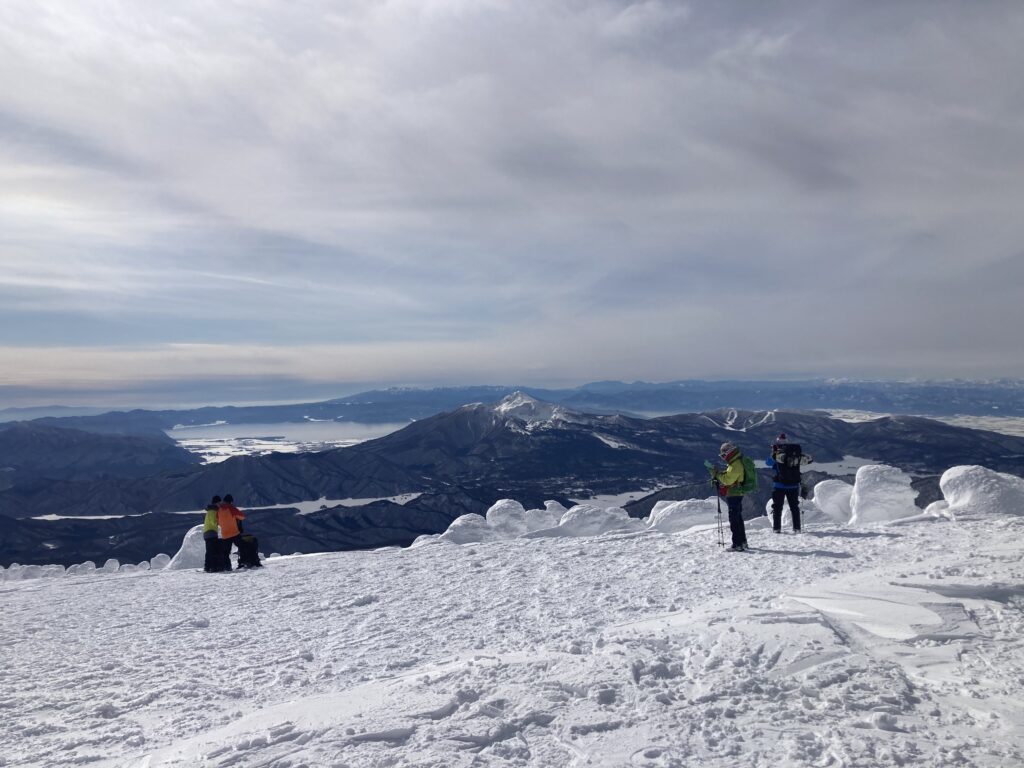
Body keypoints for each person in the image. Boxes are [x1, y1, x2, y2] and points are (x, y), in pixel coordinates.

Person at [765, 432, 814, 533]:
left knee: (777, 507)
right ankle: (797, 528)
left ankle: (777, 529)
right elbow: (809, 460)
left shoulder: (778, 454)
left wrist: (774, 452)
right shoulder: (794, 454)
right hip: (793, 485)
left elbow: (768, 462)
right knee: (794, 507)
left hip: (779, 485)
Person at [710, 442, 750, 551]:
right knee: (738, 517)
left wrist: (717, 474)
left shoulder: (735, 464)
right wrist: (721, 474)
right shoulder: (735, 461)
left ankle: (737, 544)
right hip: (737, 493)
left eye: (723, 455)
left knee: (734, 519)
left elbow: (727, 480)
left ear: (728, 453)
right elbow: (730, 476)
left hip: (734, 493)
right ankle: (743, 542)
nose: (723, 458)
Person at [217, 493, 246, 570]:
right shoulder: (231, 508)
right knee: (242, 546)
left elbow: (218, 521)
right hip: (234, 533)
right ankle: (243, 562)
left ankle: (227, 567)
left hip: (225, 535)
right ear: (231, 501)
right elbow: (242, 517)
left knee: (225, 552)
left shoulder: (219, 510)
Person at [202, 495, 224, 572]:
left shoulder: (210, 510)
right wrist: (220, 522)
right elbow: (213, 522)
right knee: (213, 551)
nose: (220, 504)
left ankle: (207, 567)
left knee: (209, 551)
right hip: (211, 532)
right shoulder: (212, 511)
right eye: (219, 502)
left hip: (208, 533)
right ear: (217, 502)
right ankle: (212, 567)